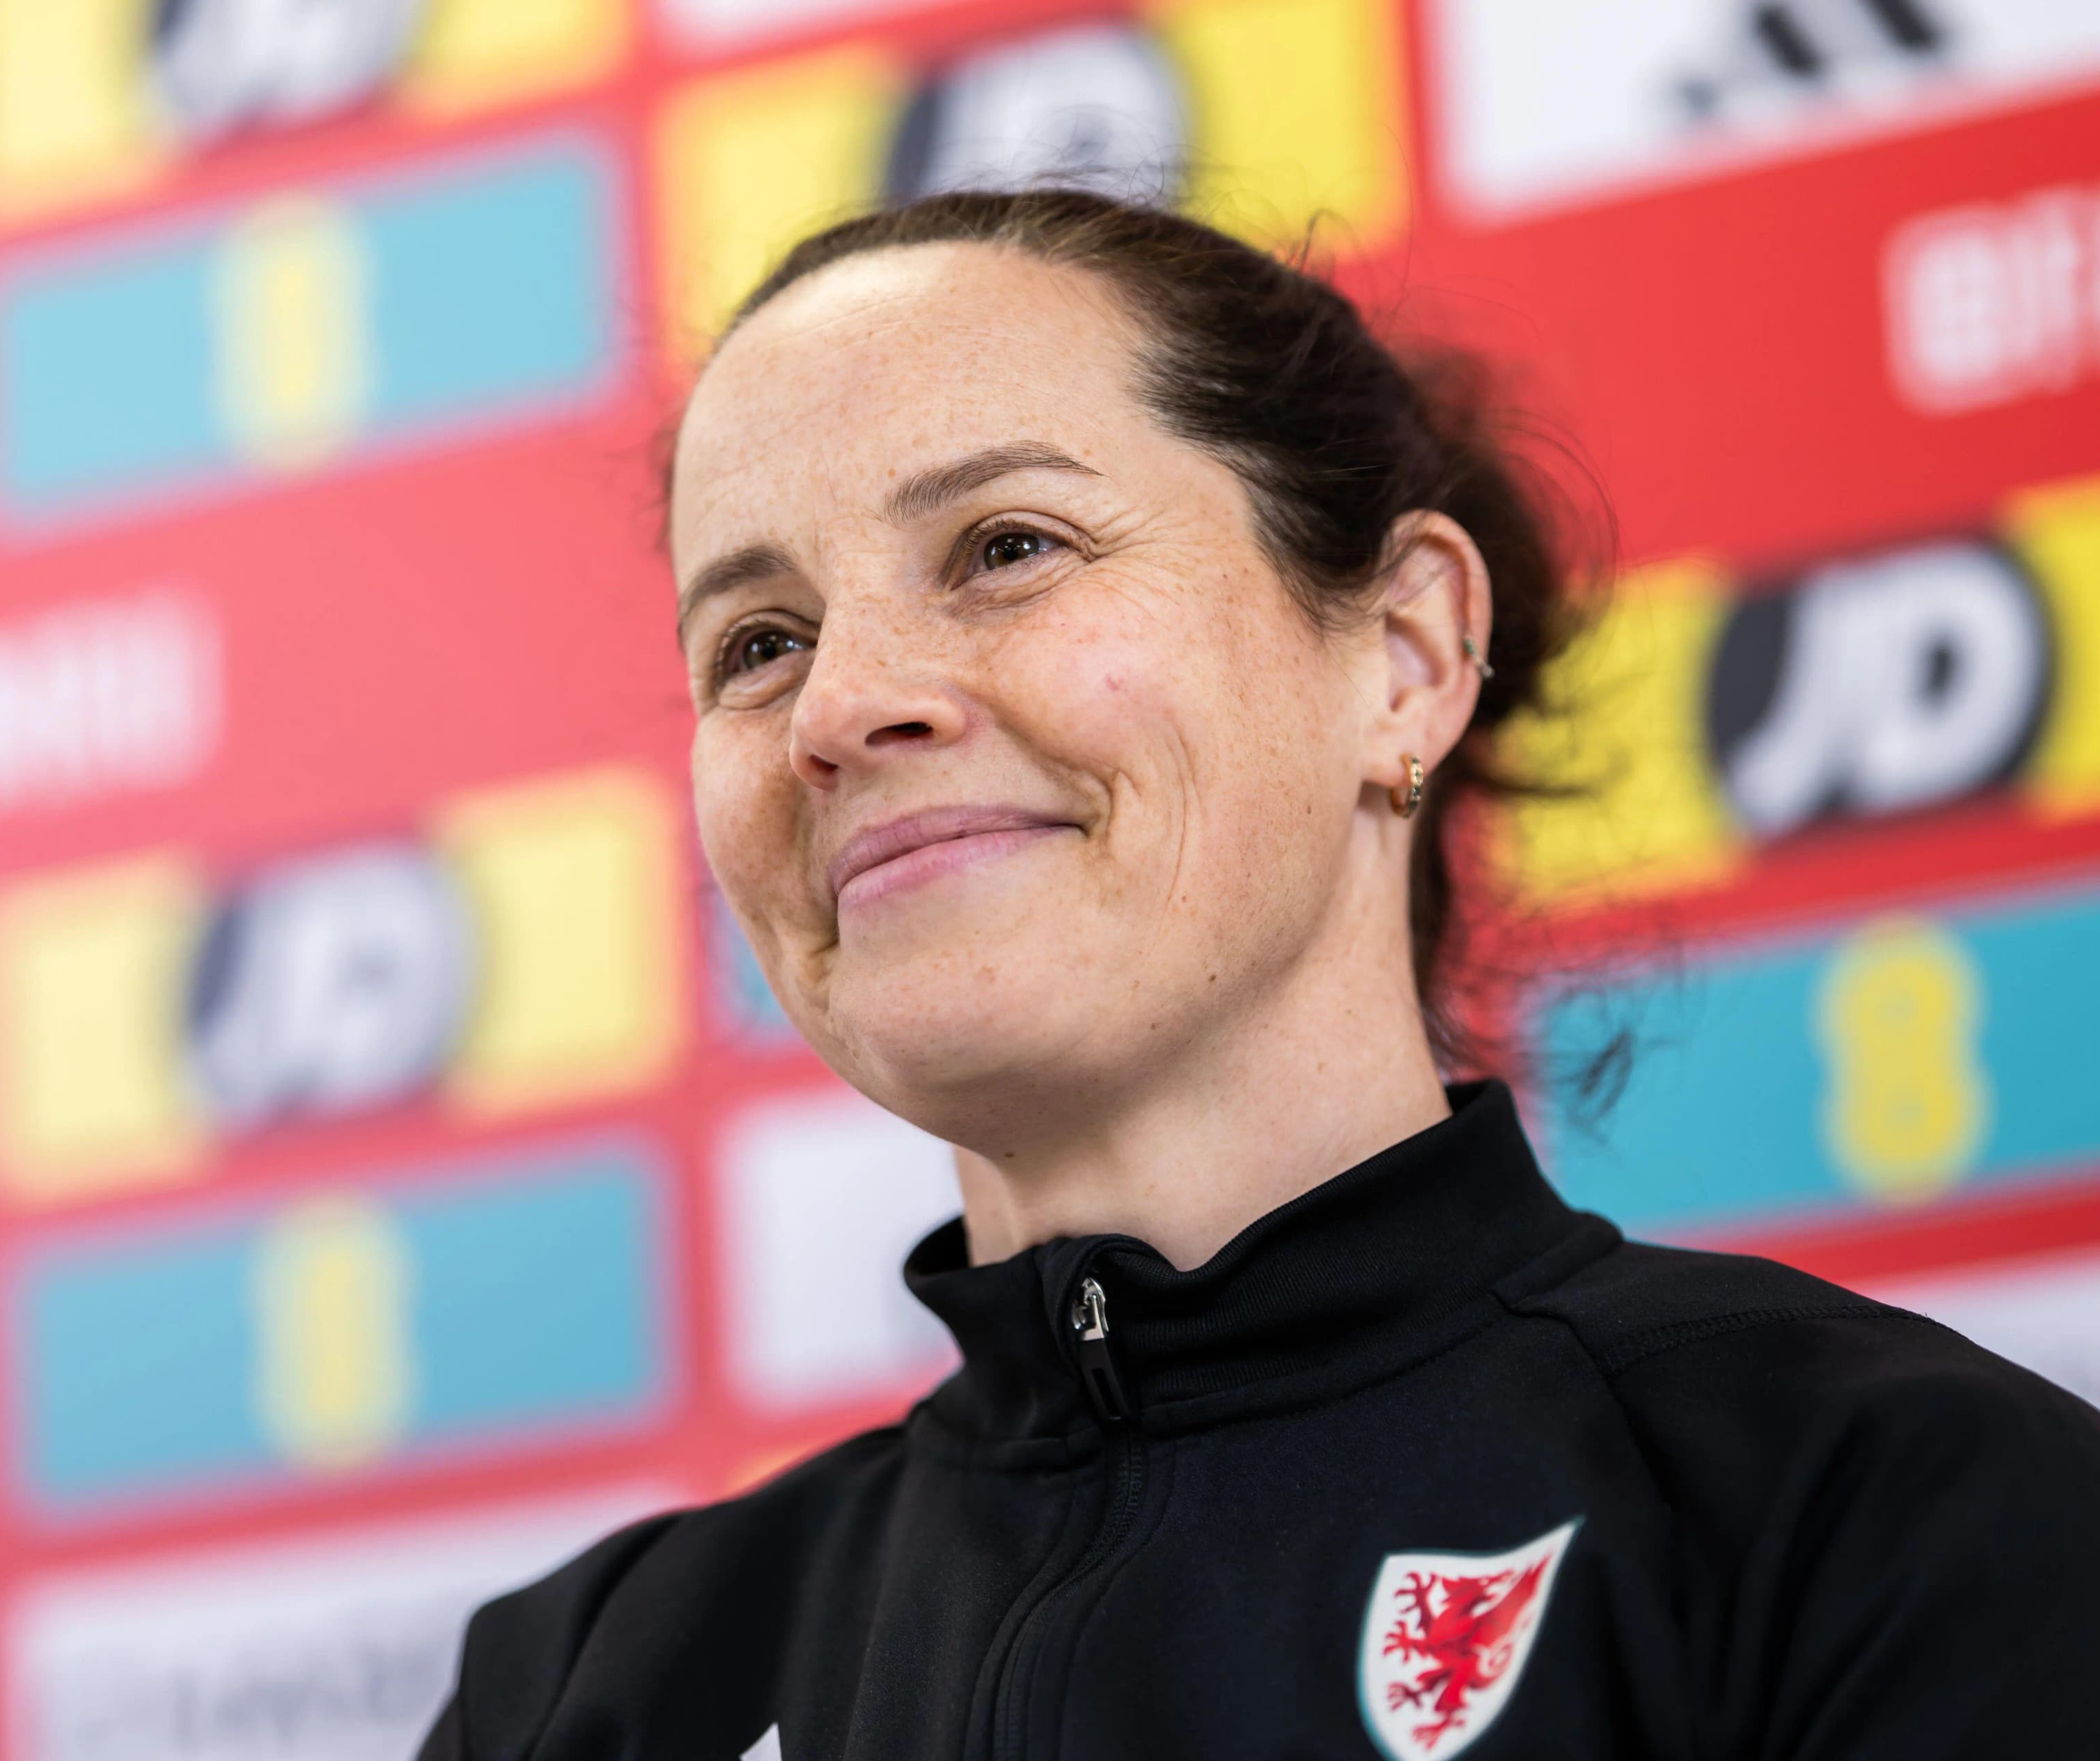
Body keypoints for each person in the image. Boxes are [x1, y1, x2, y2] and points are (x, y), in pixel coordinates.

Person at [418, 190, 2100, 1760]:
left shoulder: (1883, 1507)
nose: (844, 704)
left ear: (1404, 654)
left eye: (1009, 545)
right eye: (758, 643)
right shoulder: (592, 1681)